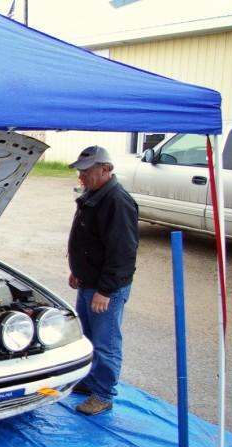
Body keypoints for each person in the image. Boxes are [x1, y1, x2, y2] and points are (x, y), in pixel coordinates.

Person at [67, 146, 139, 415]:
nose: (81, 177)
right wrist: (78, 270)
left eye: (87, 172)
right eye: (80, 172)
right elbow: (86, 241)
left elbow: (123, 252)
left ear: (105, 170)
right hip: (89, 282)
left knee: (105, 342)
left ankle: (104, 394)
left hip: (104, 288)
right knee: (86, 337)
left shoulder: (117, 202)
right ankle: (89, 381)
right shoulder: (93, 195)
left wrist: (106, 291)